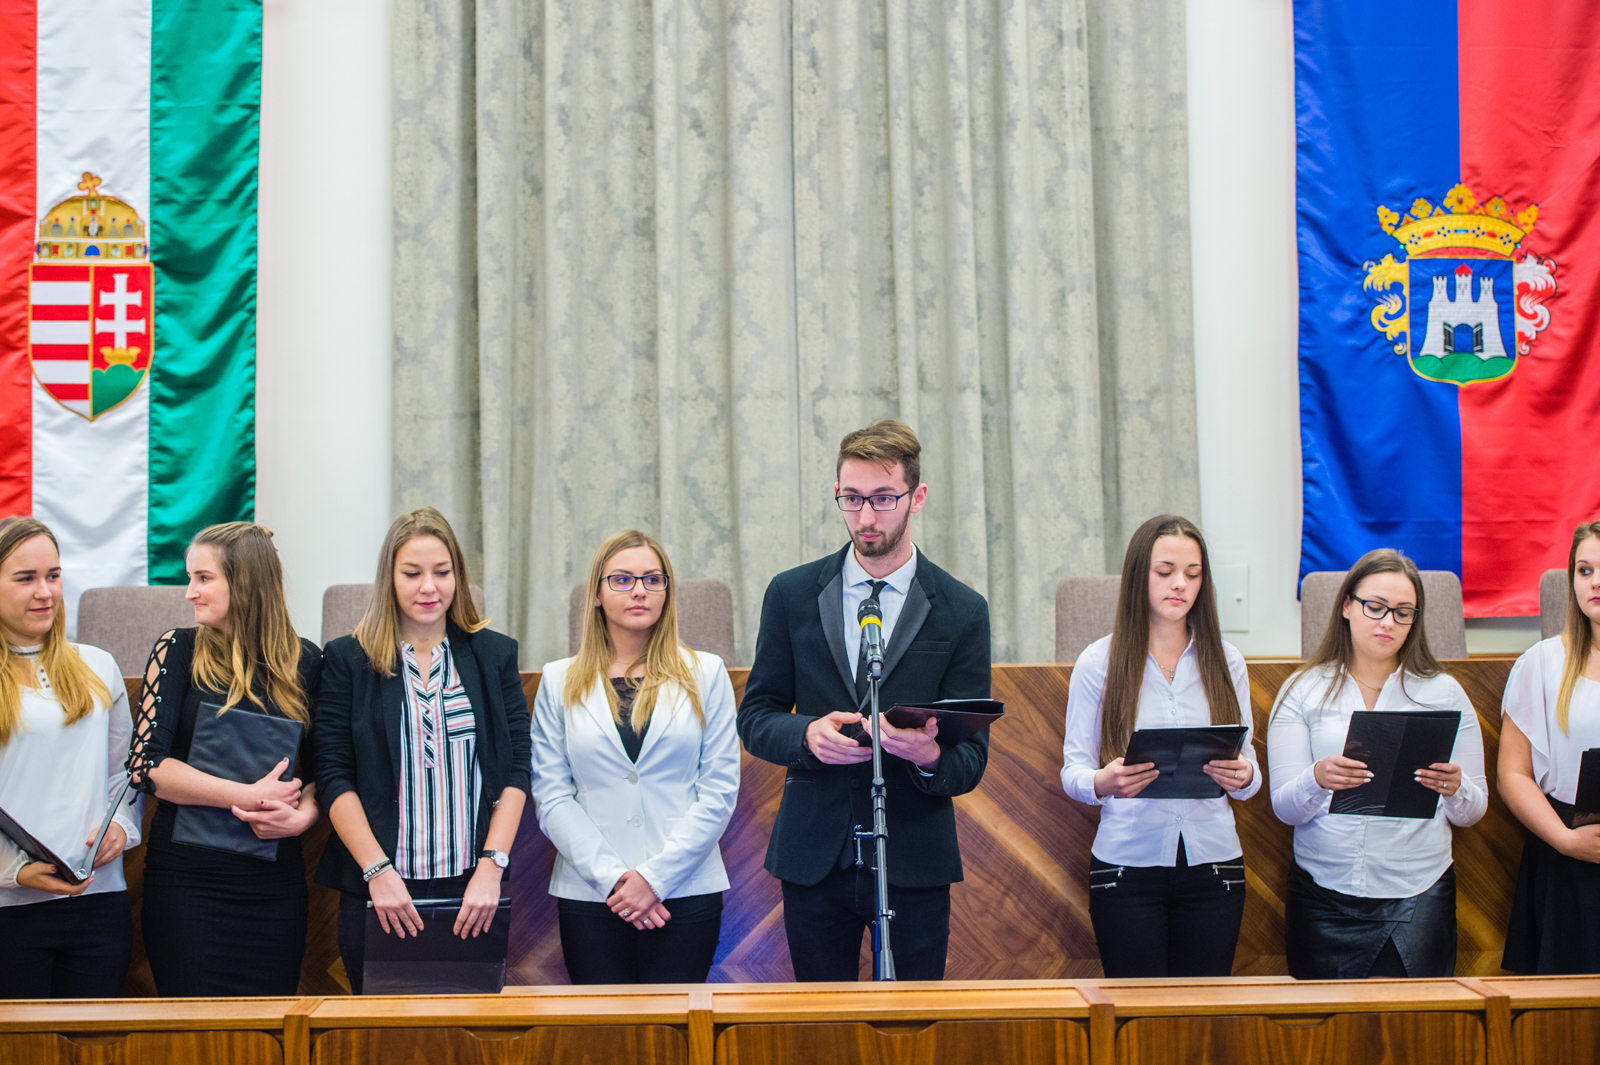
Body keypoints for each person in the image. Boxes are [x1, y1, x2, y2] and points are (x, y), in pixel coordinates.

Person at [737, 419, 991, 981]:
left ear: (916, 497)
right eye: (851, 499)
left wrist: (926, 755)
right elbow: (756, 717)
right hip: (814, 854)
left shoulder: (962, 609)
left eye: (883, 498)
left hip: (914, 854)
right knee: (820, 1031)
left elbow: (971, 760)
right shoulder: (791, 593)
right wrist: (806, 735)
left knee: (914, 1030)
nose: (867, 518)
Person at [315, 507, 531, 995]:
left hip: (471, 892)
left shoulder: (493, 653)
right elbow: (333, 775)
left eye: (442, 572)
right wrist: (378, 872)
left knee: (467, 1040)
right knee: (382, 1042)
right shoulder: (347, 659)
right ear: (389, 578)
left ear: (458, 575)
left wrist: (491, 868)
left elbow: (517, 768)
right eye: (412, 574)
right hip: (379, 889)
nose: (428, 587)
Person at [529, 530, 740, 983]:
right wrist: (616, 882)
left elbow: (719, 792)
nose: (640, 590)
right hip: (591, 895)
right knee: (606, 1041)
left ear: (667, 591)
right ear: (597, 595)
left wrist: (655, 880)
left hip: (685, 890)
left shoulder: (707, 673)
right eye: (622, 579)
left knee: (679, 1040)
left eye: (652, 579)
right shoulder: (557, 680)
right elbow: (552, 796)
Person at [1267, 548, 1485, 979]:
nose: (1388, 622)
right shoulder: (1304, 689)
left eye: (1403, 613)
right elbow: (1284, 809)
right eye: (1376, 607)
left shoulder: (1443, 693)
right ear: (1347, 606)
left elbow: (1473, 812)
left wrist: (1456, 787)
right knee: (1326, 1041)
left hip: (1418, 888)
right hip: (1323, 890)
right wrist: (1317, 778)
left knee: (1418, 1033)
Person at [1060, 515, 1259, 978]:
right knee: (1137, 1019)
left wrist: (1246, 776)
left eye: (1192, 574)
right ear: (1138, 576)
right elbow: (1073, 771)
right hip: (1127, 865)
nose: (1180, 585)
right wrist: (1102, 782)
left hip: (1215, 864)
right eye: (1165, 571)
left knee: (1202, 1019)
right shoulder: (1098, 662)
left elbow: (1247, 768)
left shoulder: (1226, 660)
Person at [128, 522, 323, 996]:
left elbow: (326, 773)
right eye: (191, 578)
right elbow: (147, 765)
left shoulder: (308, 662)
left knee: (268, 1032)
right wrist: (248, 797)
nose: (190, 592)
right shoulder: (178, 648)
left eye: (204, 578)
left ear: (246, 581)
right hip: (188, 885)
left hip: (274, 887)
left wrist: (303, 817)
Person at [0, 517, 143, 998]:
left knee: (93, 1045)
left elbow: (122, 776)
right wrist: (13, 871)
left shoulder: (96, 665)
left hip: (97, 901)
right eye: (25, 578)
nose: (45, 592)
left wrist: (121, 829)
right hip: (8, 904)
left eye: (54, 576)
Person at [1500, 520, 1600, 973]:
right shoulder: (1540, 663)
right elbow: (1513, 773)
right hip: (1566, 849)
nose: (1595, 582)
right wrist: (1564, 839)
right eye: (1584, 570)